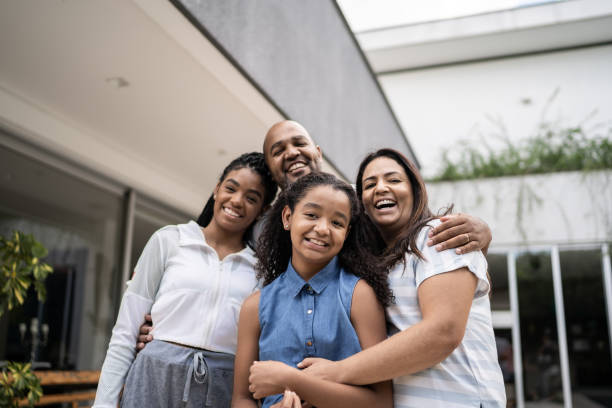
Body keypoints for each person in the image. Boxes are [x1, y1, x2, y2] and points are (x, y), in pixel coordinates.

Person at [136, 120, 494, 350]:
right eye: (278, 151)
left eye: (299, 142)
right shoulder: (262, 228)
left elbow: (411, 234)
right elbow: (225, 272)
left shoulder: (360, 203)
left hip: (360, 349)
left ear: (317, 152)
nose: (291, 153)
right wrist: (169, 320)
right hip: (281, 354)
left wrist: (483, 233)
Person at [249, 148, 506, 407]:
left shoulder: (437, 235)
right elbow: (320, 199)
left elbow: (444, 331)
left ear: (416, 190)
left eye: (393, 180)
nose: (381, 188)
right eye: (369, 185)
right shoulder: (376, 264)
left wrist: (329, 373)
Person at [93, 152, 277, 408]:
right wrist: (103, 405)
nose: (236, 201)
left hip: (220, 391)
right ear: (216, 189)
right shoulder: (169, 241)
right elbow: (125, 334)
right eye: (230, 188)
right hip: (152, 381)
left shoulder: (260, 271)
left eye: (251, 198)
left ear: (262, 210)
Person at [233, 172, 393, 408]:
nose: (322, 229)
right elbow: (241, 398)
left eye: (337, 222)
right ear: (287, 217)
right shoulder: (255, 306)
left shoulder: (359, 295)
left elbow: (381, 402)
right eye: (311, 215)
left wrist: (293, 381)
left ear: (346, 233)